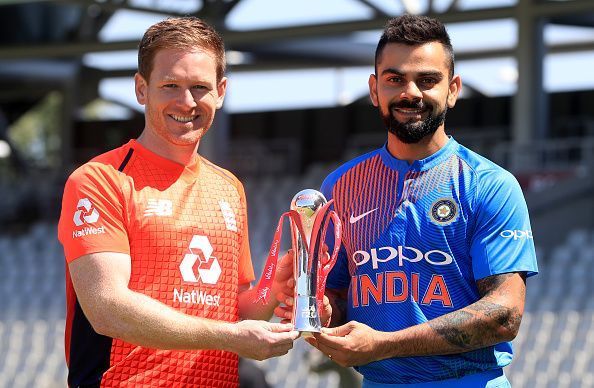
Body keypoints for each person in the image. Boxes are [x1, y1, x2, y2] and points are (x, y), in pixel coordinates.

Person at [57, 17, 297, 387]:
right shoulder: (99, 180)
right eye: (170, 85)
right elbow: (108, 310)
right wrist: (230, 337)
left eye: (200, 87)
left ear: (221, 91)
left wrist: (275, 289)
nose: (186, 102)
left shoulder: (229, 187)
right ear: (141, 89)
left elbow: (234, 308)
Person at [306, 14, 538, 387]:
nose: (410, 92)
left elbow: (504, 314)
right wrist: (317, 309)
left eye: (427, 80)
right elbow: (334, 295)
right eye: (395, 79)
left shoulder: (489, 184)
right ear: (374, 88)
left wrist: (383, 345)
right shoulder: (340, 187)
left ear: (453, 89)